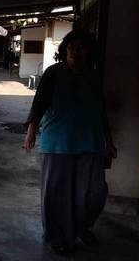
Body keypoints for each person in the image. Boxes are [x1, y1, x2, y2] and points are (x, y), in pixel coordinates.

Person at [23, 30, 117, 255]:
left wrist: (109, 141)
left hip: (90, 142)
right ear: (64, 50)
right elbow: (39, 103)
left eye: (81, 48)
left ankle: (81, 227)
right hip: (58, 142)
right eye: (71, 47)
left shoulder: (93, 76)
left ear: (88, 52)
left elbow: (100, 111)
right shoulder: (54, 73)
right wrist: (31, 131)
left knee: (94, 192)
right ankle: (58, 236)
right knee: (57, 193)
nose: (75, 51)